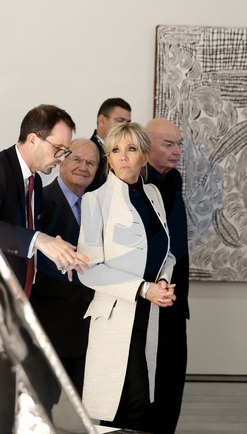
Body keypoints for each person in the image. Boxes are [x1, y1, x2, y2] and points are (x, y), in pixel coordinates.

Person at [0, 104, 88, 432]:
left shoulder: (33, 182)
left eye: (66, 151)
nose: (62, 158)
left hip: (21, 308)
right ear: (33, 139)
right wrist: (40, 240)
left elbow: (27, 245)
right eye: (59, 149)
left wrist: (59, 255)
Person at [77, 122, 177, 432]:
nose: (123, 156)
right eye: (115, 150)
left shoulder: (153, 195)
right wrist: (145, 289)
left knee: (140, 403)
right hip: (116, 315)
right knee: (126, 403)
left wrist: (163, 281)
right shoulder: (95, 200)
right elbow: (89, 269)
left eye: (131, 149)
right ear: (108, 157)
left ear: (144, 156)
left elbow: (166, 252)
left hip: (149, 312)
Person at [30, 139, 99, 395]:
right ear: (61, 162)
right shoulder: (40, 200)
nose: (83, 167)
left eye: (91, 163)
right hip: (51, 324)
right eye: (76, 159)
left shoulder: (98, 206)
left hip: (89, 326)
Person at [144, 118, 190, 434]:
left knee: (173, 374)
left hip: (176, 293)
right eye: (168, 144)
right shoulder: (135, 180)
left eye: (179, 144)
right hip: (150, 294)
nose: (176, 151)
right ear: (147, 145)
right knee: (152, 377)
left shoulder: (174, 178)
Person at [87, 98, 132, 192]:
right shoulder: (87, 152)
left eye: (128, 123)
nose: (124, 127)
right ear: (101, 121)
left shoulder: (131, 152)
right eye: (120, 121)